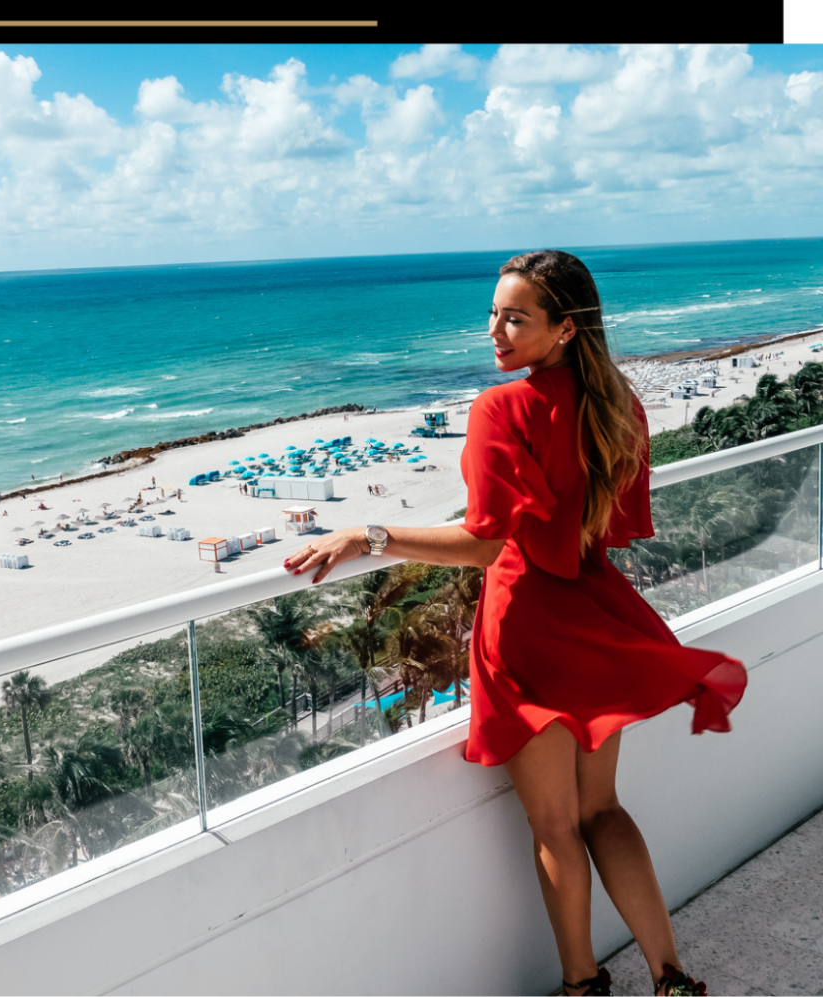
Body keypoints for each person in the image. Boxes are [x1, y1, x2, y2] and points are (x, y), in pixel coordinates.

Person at [283, 250, 744, 997]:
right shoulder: (619, 403)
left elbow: (486, 540)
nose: (494, 330)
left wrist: (367, 535)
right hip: (593, 616)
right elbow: (616, 527)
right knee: (604, 807)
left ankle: (582, 986)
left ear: (564, 327)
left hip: (527, 624)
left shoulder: (501, 407)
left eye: (515, 316)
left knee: (557, 825)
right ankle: (670, 978)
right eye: (492, 313)